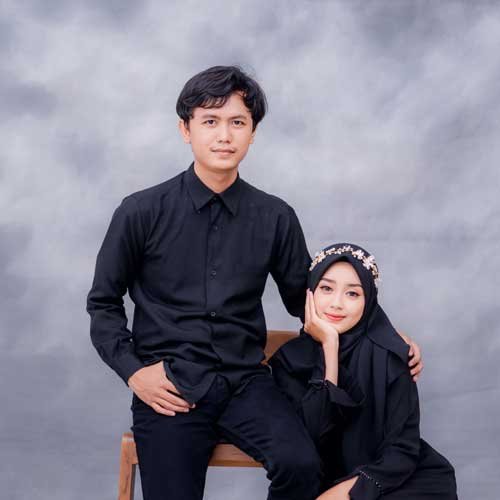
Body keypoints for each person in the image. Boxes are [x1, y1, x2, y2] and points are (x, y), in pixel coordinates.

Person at [87, 66, 423, 500]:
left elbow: (308, 301)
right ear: (186, 129)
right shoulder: (140, 212)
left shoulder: (275, 217)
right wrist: (135, 373)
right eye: (210, 121)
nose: (224, 135)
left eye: (237, 122)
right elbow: (103, 304)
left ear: (253, 133)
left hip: (247, 384)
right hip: (170, 387)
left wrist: (387, 336)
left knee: (302, 465)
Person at [269, 243, 457, 499]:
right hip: (321, 479)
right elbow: (309, 439)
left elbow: (402, 449)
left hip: (392, 478)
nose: (337, 304)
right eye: (326, 288)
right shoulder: (290, 361)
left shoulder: (391, 354)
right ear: (310, 293)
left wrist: (351, 493)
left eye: (352, 294)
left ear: (368, 299)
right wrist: (330, 349)